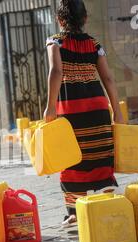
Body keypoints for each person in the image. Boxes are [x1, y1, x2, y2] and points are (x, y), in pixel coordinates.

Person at [44, 0, 125, 228]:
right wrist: (117, 111)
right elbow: (108, 78)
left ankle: (75, 211)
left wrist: (50, 106)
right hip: (97, 107)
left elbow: (56, 71)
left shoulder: (55, 42)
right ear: (85, 19)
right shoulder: (95, 44)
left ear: (60, 20)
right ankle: (107, 201)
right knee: (100, 154)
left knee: (70, 159)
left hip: (71, 110)